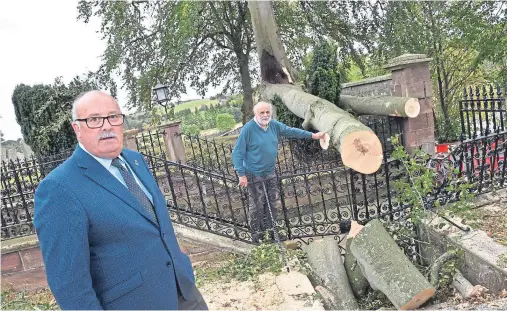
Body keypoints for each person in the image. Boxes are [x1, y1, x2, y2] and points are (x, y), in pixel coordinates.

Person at [34, 91, 208, 310]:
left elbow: (153, 224)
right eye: (94, 120)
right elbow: (69, 284)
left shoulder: (134, 161)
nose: (106, 126)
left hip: (184, 292)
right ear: (77, 128)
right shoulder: (59, 188)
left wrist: (181, 263)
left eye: (113, 117)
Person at [232, 101, 326, 243]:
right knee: (257, 205)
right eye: (261, 113)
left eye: (267, 112)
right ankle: (257, 235)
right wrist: (241, 174)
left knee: (272, 203)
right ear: (255, 114)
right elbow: (237, 153)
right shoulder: (248, 129)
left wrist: (314, 136)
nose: (265, 115)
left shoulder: (274, 125)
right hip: (253, 173)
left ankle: (272, 233)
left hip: (269, 172)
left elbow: (292, 131)